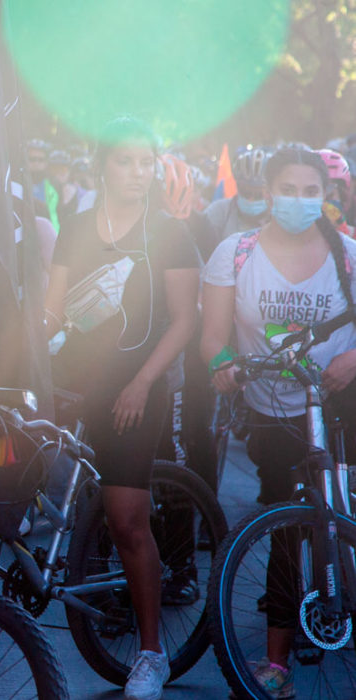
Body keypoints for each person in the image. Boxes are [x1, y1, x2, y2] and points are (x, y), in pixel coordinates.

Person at [44, 117, 199, 700]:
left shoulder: (169, 233)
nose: (138, 172)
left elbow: (184, 320)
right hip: (74, 382)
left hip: (137, 388)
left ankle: (151, 653)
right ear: (101, 166)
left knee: (127, 518)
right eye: (125, 161)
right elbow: (53, 310)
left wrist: (141, 382)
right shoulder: (75, 226)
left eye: (146, 161)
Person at [201, 147, 356, 697]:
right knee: (285, 526)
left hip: (340, 401)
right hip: (272, 410)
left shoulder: (348, 255)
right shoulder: (236, 253)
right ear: (268, 193)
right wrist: (223, 366)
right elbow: (212, 339)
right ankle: (276, 662)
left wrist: (351, 360)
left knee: (340, 512)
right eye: (287, 189)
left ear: (326, 195)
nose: (299, 200)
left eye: (310, 191)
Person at [201, 147, 272, 250]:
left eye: (258, 195)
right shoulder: (220, 211)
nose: (251, 199)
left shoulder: (280, 218)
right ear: (237, 186)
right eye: (245, 192)